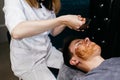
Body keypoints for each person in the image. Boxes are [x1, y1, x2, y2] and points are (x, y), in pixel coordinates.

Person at [3, 0, 86, 80]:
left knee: (81, 70)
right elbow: (17, 32)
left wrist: (67, 23)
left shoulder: (48, 2)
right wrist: (62, 20)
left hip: (48, 52)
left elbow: (53, 31)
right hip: (27, 61)